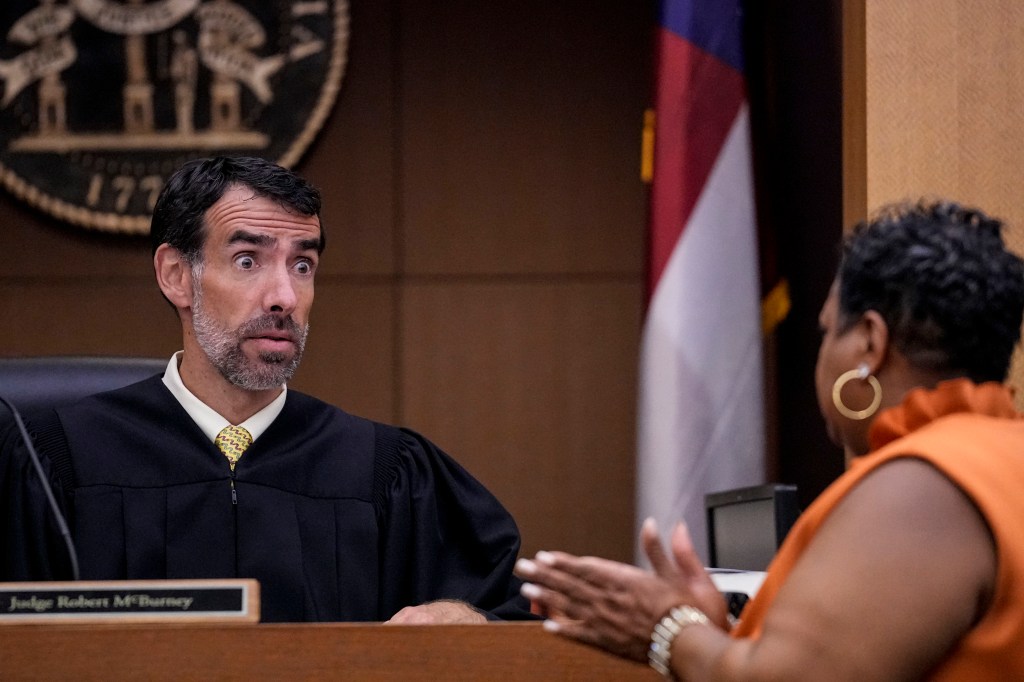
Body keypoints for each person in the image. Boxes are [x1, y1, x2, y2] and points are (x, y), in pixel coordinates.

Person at [0, 156, 531, 624]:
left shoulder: (385, 472)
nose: (284, 297)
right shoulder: (55, 460)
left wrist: (463, 618)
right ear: (176, 275)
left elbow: (509, 613)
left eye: (302, 265)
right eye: (249, 260)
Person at [515, 199, 1024, 679]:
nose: (821, 354)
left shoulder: (925, 485)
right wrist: (719, 634)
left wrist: (665, 628)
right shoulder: (995, 456)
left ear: (870, 342)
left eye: (827, 332)